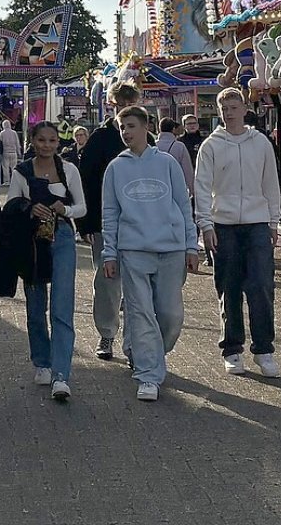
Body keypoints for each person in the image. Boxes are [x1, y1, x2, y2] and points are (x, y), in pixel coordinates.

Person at [100, 106, 200, 403]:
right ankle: (148, 375)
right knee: (140, 312)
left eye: (131, 125)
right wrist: (109, 253)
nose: (126, 132)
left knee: (170, 316)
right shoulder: (115, 168)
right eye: (122, 127)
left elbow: (184, 205)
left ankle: (146, 351)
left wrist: (191, 245)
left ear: (146, 127)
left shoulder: (168, 163)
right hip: (132, 250)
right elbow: (110, 213)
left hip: (171, 249)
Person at [194, 87, 281, 379]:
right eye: (224, 108)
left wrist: (273, 221)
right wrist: (205, 224)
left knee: (261, 285)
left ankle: (264, 349)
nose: (229, 112)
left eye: (234, 107)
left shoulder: (261, 143)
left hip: (257, 222)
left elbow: (271, 182)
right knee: (229, 287)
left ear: (244, 109)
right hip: (224, 224)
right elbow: (202, 187)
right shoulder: (211, 145)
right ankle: (232, 349)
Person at [7, 122, 87, 401]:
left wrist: (64, 208)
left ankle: (61, 373)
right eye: (41, 140)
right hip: (32, 242)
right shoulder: (22, 171)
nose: (47, 145)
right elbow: (11, 205)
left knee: (62, 305)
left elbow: (82, 207)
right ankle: (42, 360)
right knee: (35, 304)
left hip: (62, 235)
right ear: (32, 141)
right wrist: (30, 208)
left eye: (52, 140)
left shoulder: (69, 170)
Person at [76, 84, 135, 361]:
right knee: (108, 280)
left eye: (129, 102)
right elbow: (85, 180)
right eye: (119, 103)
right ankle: (107, 333)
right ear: (112, 105)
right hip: (106, 222)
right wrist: (85, 223)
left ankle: (134, 340)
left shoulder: (146, 138)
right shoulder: (100, 138)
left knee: (138, 283)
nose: (123, 107)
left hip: (141, 224)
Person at [157, 117, 196, 202]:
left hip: (157, 187)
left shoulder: (153, 146)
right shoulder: (179, 146)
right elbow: (188, 170)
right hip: (176, 187)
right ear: (173, 129)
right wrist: (192, 190)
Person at [0, 120, 22, 186]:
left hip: (5, 152)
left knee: (5, 168)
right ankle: (14, 181)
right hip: (13, 152)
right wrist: (19, 152)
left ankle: (7, 181)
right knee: (14, 168)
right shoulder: (14, 133)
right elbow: (17, 143)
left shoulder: (2, 133)